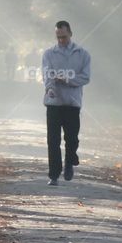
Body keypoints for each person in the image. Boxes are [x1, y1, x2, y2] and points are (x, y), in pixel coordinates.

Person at [42, 20, 91, 185]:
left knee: (72, 139)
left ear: (70, 33)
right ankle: (54, 175)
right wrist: (49, 87)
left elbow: (85, 77)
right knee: (53, 140)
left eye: (63, 37)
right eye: (58, 37)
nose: (61, 40)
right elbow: (47, 74)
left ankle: (70, 161)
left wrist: (68, 79)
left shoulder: (82, 54)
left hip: (72, 103)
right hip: (54, 102)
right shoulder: (49, 54)